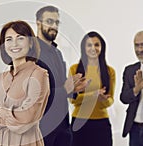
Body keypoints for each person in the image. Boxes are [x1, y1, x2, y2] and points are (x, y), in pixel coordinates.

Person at [0, 20, 50, 146]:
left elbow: (26, 119)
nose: (14, 44)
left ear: (30, 43)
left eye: (20, 38)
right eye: (9, 39)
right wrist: (13, 118)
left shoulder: (39, 74)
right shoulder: (0, 78)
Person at [35, 5, 89, 146]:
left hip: (63, 126)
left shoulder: (58, 53)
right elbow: (35, 95)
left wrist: (74, 89)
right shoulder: (32, 53)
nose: (54, 26)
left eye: (57, 22)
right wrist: (65, 89)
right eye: (49, 21)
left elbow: (60, 85)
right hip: (43, 128)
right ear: (38, 22)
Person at [68, 31, 115, 146]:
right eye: (89, 45)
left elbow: (110, 100)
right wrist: (93, 95)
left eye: (97, 45)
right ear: (84, 48)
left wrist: (103, 99)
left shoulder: (109, 72)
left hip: (101, 123)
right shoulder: (74, 69)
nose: (93, 48)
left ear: (102, 47)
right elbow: (73, 100)